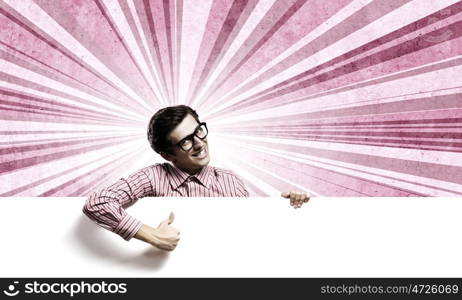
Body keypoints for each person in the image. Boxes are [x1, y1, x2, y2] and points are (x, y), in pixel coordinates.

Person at [83, 105, 310, 251]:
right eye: (186, 141)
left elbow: (251, 239)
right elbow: (97, 203)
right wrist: (152, 235)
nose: (200, 143)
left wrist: (287, 210)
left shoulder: (232, 182)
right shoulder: (153, 176)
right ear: (167, 154)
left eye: (198, 131)